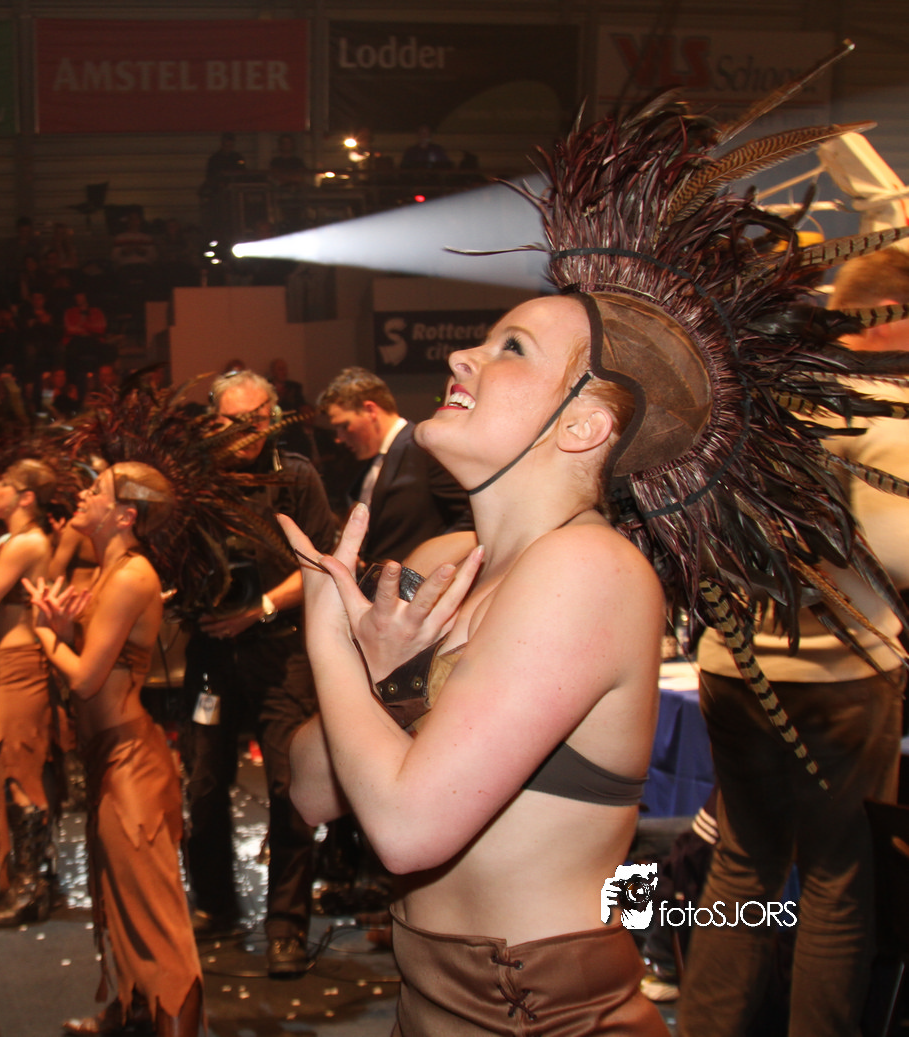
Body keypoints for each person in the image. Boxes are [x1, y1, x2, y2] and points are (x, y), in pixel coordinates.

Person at [282, 67, 909, 1034]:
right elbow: (312, 789)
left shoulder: (589, 570)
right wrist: (376, 671)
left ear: (583, 428)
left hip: (536, 1014)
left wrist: (331, 636)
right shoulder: (448, 557)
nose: (460, 356)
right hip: (430, 1006)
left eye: (510, 349)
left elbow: (405, 830)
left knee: (802, 871)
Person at [679, 247, 909, 1034]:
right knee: (837, 881)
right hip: (841, 677)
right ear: (889, 318)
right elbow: (899, 553)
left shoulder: (754, 399)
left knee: (741, 865)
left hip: (733, 668)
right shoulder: (878, 406)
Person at [24, 380, 271, 1037]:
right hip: (110, 758)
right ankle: (133, 1014)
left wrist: (45, 634)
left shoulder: (130, 576)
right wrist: (64, 626)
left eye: (98, 491)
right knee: (119, 899)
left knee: (155, 915)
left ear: (125, 515)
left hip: (131, 765)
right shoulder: (109, 571)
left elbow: (85, 681)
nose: (84, 495)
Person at [182, 368, 337, 977]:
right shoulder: (196, 479)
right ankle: (215, 905)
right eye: (233, 421)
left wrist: (261, 607)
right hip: (211, 652)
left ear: (272, 418)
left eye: (256, 420)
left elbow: (320, 562)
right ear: (212, 421)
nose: (246, 432)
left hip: (279, 649)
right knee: (203, 784)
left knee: (288, 787)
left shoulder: (295, 475)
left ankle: (286, 928)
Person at [0, 458, 74, 926]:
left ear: (26, 497)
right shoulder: (21, 541)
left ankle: (28, 888)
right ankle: (35, 881)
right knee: (23, 767)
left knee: (20, 768)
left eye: (3, 485)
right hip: (17, 663)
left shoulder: (26, 541)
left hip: (23, 665)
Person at [318, 367, 471, 567]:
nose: (339, 437)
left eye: (344, 425)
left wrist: (427, 564)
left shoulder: (425, 449)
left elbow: (470, 518)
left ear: (370, 410)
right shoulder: (367, 463)